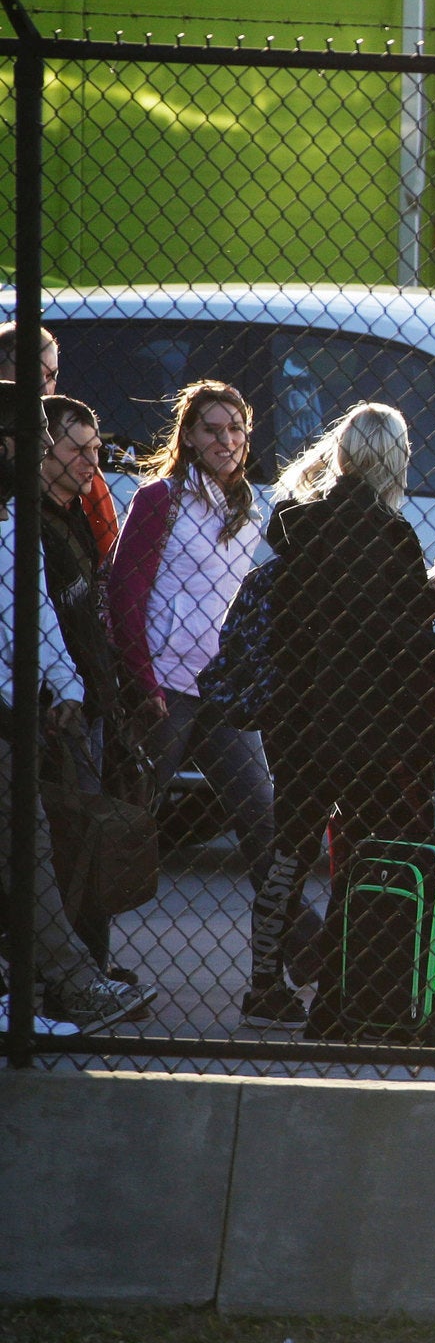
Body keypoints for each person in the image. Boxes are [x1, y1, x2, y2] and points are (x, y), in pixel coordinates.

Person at [252, 403, 435, 1022]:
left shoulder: (297, 524)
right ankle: (351, 982)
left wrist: (419, 600)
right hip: (364, 721)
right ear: (396, 458)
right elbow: (382, 625)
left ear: (342, 454)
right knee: (370, 847)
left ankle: (264, 985)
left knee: (290, 850)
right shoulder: (389, 534)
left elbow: (339, 611)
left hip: (296, 710)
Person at [104, 381, 285, 1024]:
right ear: (187, 436)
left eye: (235, 429)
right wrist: (142, 681)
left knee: (265, 820)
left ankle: (280, 977)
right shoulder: (160, 499)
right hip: (164, 692)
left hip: (221, 692)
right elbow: (126, 592)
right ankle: (85, 965)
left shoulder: (253, 505)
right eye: (211, 429)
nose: (226, 442)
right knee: (126, 820)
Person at [0, 400, 154, 1031]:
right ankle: (70, 979)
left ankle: (48, 983)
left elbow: (41, 620)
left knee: (37, 843)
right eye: (38, 442)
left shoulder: (16, 524)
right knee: (30, 847)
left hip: (21, 712)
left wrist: (65, 685)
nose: (45, 456)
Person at [39, 396, 153, 972]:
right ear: (42, 449)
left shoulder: (78, 513)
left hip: (94, 691)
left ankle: (93, 961)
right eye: (76, 449)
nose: (91, 462)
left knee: (96, 837)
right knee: (70, 838)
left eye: (95, 449)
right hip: (55, 701)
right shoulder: (29, 521)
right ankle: (75, 968)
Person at [0, 321, 117, 563]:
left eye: (51, 375)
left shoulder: (82, 460)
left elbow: (107, 553)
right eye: (31, 373)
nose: (43, 386)